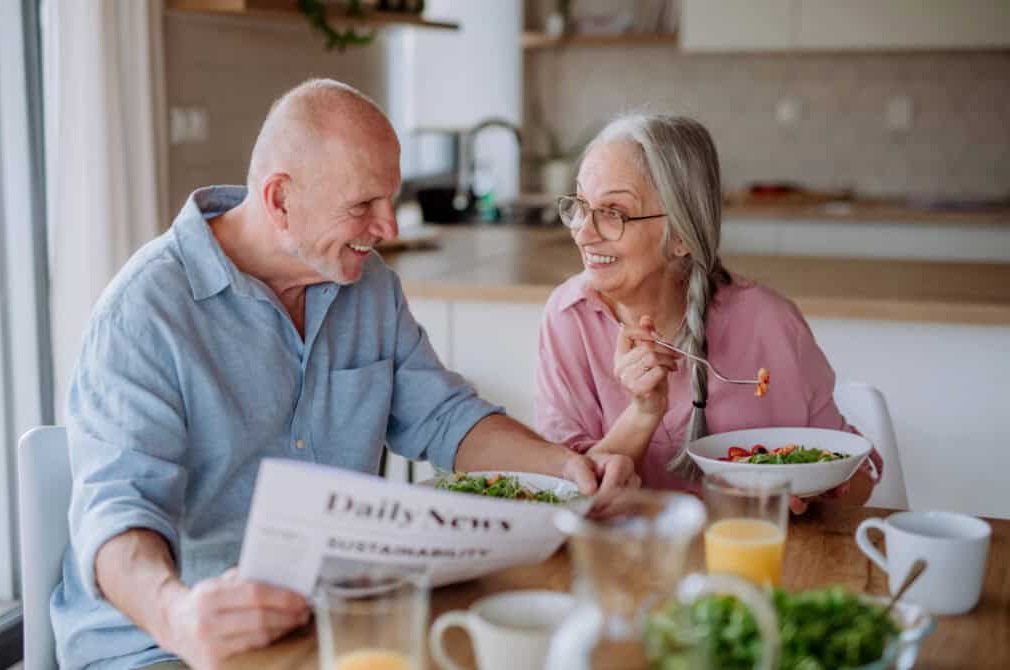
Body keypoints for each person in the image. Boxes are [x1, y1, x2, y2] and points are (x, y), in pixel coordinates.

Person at [52, 79, 637, 670]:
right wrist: (177, 614)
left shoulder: (369, 285)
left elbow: (446, 418)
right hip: (165, 645)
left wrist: (566, 468)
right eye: (363, 205)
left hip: (333, 614)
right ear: (280, 199)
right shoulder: (146, 309)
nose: (389, 228)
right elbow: (117, 510)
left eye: (390, 199)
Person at [534, 112, 881, 506]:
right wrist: (643, 414)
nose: (583, 231)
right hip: (624, 555)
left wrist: (809, 493)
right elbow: (565, 497)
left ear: (681, 234)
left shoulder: (769, 324)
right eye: (580, 205)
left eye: (614, 212)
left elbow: (859, 474)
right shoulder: (570, 316)